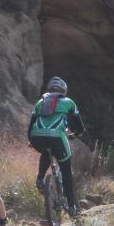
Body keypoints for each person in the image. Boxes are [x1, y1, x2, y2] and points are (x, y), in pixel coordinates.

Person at [28, 76, 86, 218]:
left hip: (37, 137)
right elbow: (80, 126)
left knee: (47, 152)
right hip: (57, 137)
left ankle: (40, 178)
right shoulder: (68, 102)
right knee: (66, 169)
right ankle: (72, 207)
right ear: (63, 91)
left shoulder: (40, 102)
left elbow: (31, 126)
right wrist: (76, 134)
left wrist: (31, 140)